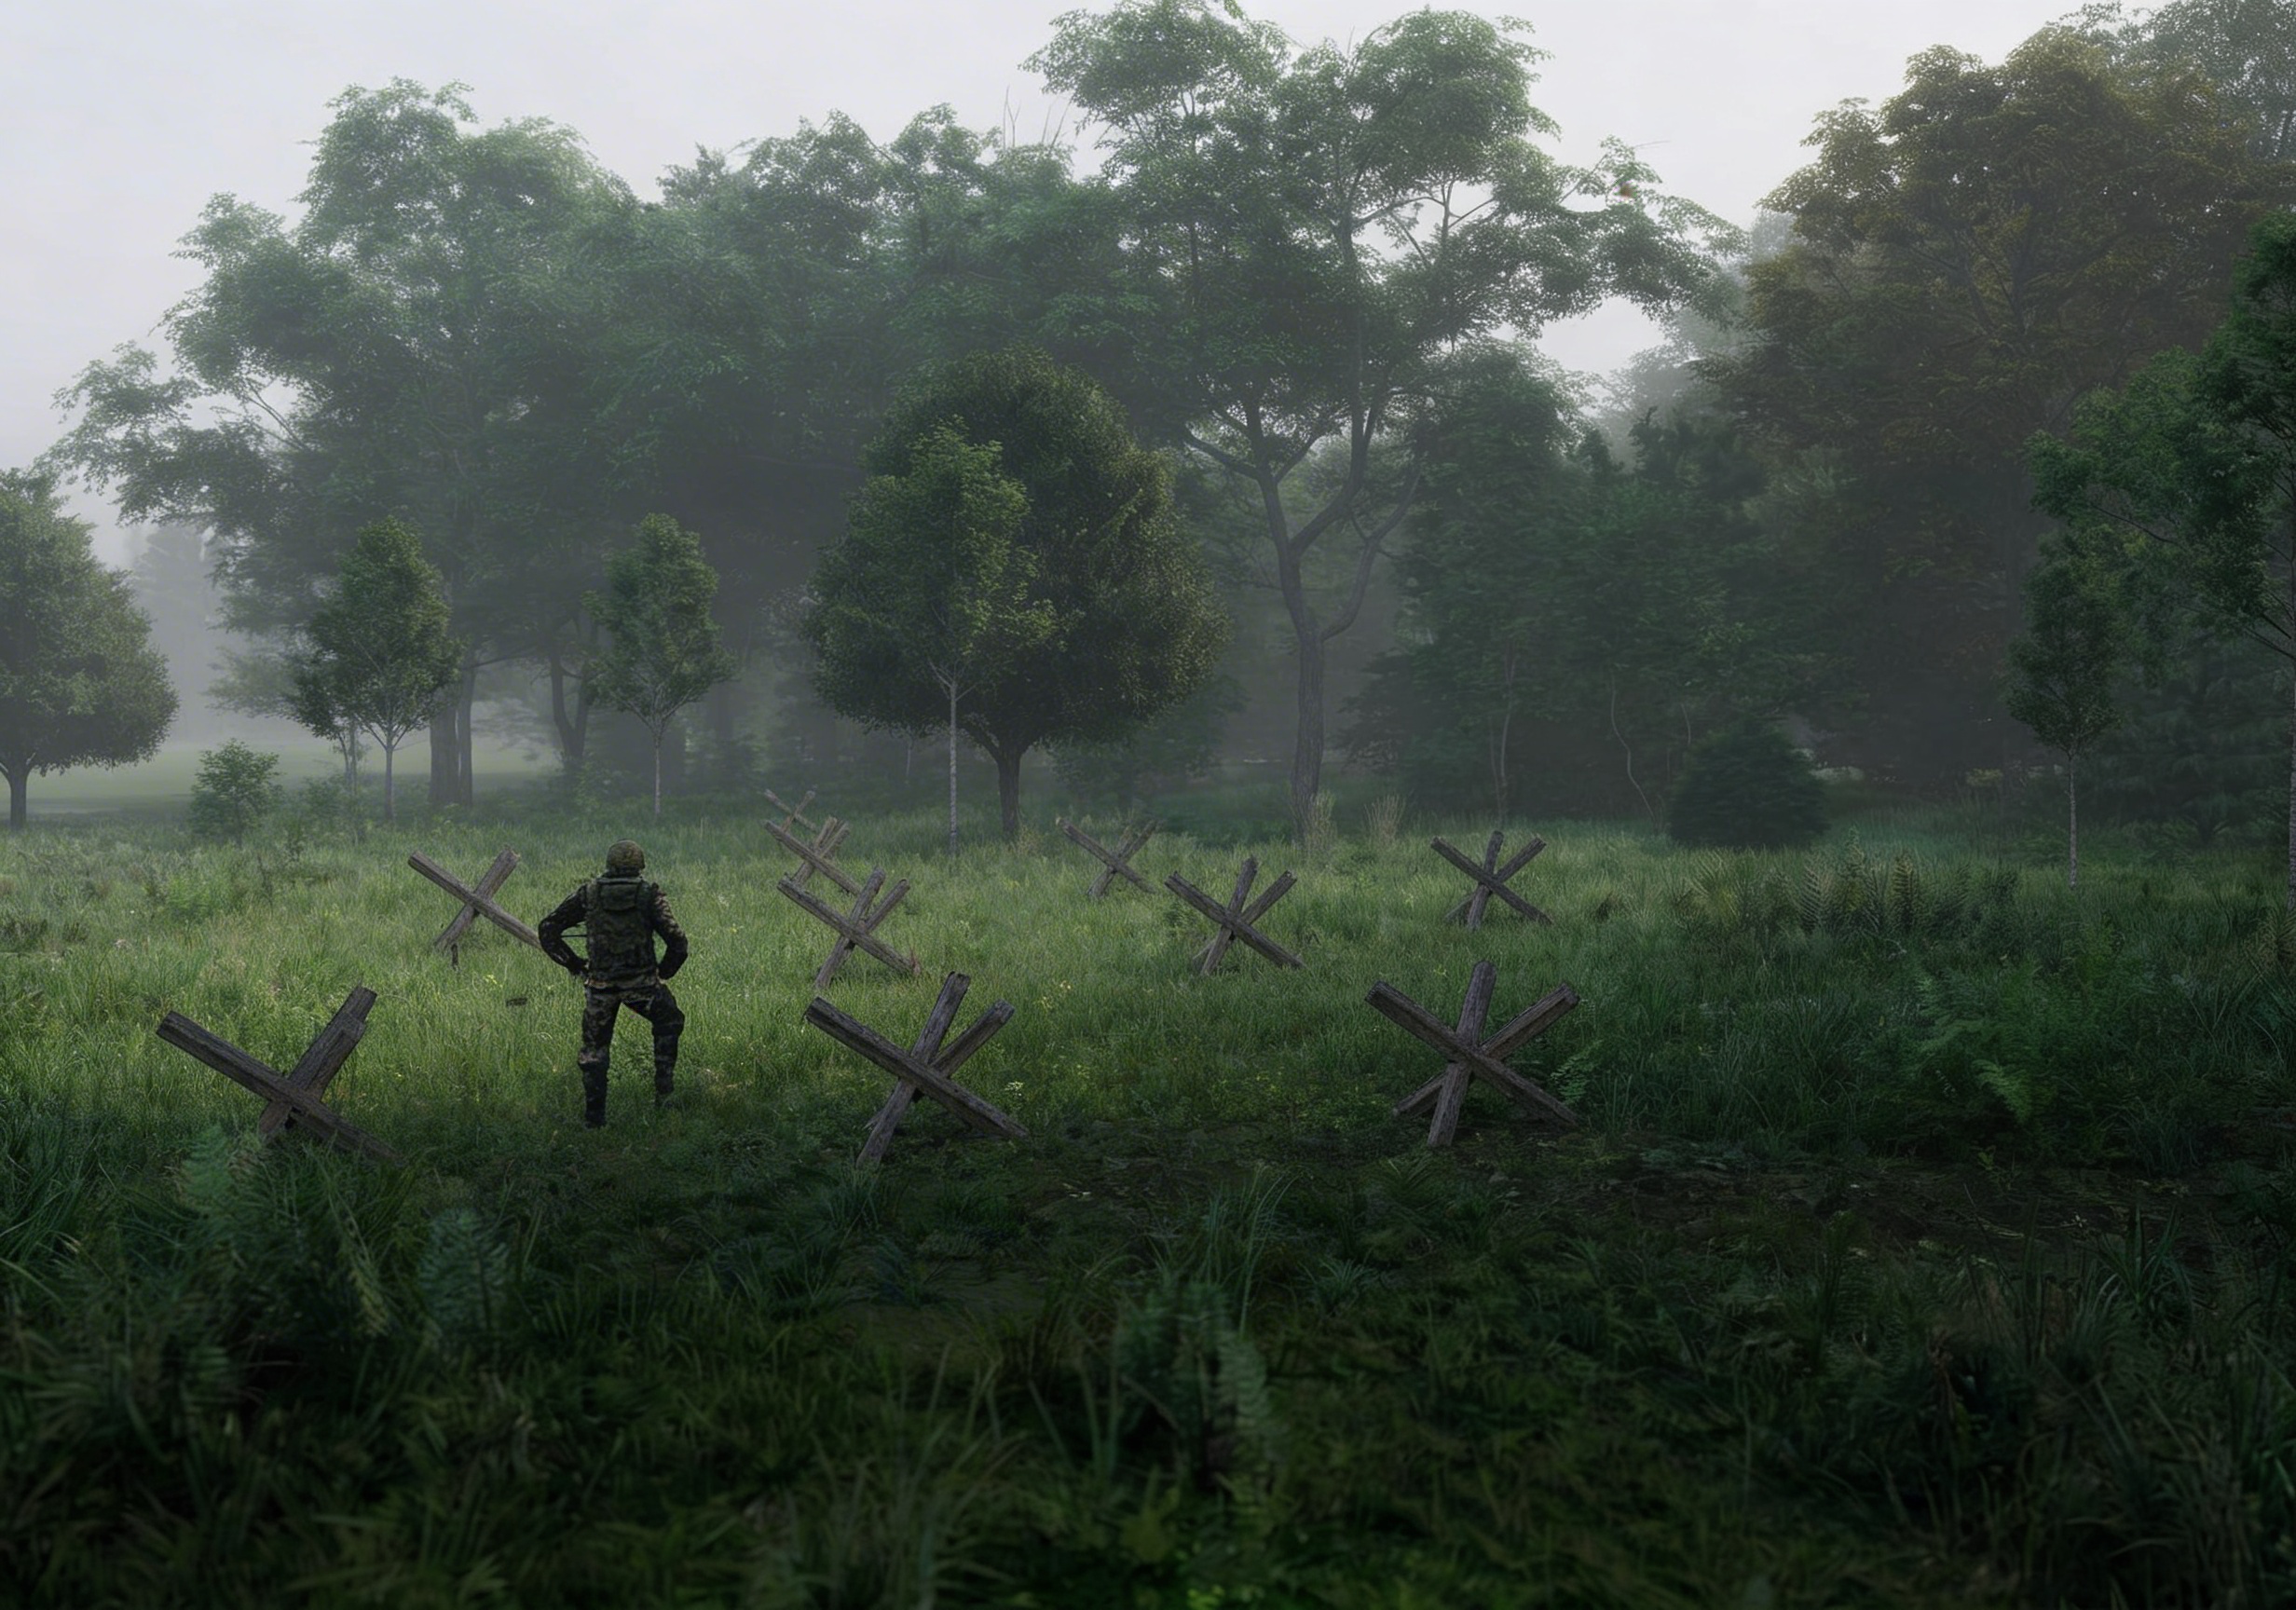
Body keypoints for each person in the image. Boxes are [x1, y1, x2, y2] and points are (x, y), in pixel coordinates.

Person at [537, 839, 689, 1127]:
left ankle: (594, 1120)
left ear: (609, 865)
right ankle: (664, 1095)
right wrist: (663, 973)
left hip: (600, 986)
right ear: (639, 867)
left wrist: (574, 964)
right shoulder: (649, 895)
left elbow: (548, 928)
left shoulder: (589, 894)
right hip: (642, 986)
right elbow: (678, 942)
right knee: (670, 1021)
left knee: (594, 1050)